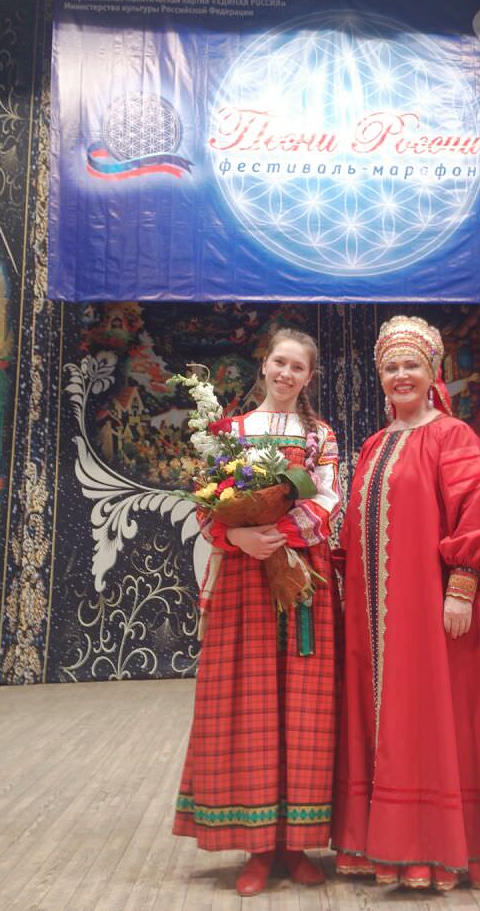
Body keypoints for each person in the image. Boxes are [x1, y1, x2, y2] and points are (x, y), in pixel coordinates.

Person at [332, 315, 480, 891]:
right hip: (374, 618)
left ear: (433, 373)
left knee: (434, 715)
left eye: (411, 365)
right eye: (390, 367)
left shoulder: (453, 436)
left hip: (432, 607)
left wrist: (462, 586)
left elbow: (473, 512)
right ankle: (382, 843)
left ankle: (439, 847)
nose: (401, 375)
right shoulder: (374, 444)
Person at [173, 329, 342, 897]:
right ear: (264, 364)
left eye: (298, 367)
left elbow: (327, 498)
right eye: (279, 362)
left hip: (301, 575)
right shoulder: (229, 432)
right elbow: (206, 502)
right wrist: (238, 536)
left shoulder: (321, 436)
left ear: (309, 377)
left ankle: (297, 845)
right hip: (243, 576)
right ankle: (257, 846)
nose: (286, 374)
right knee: (249, 702)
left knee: (303, 703)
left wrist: (279, 536)